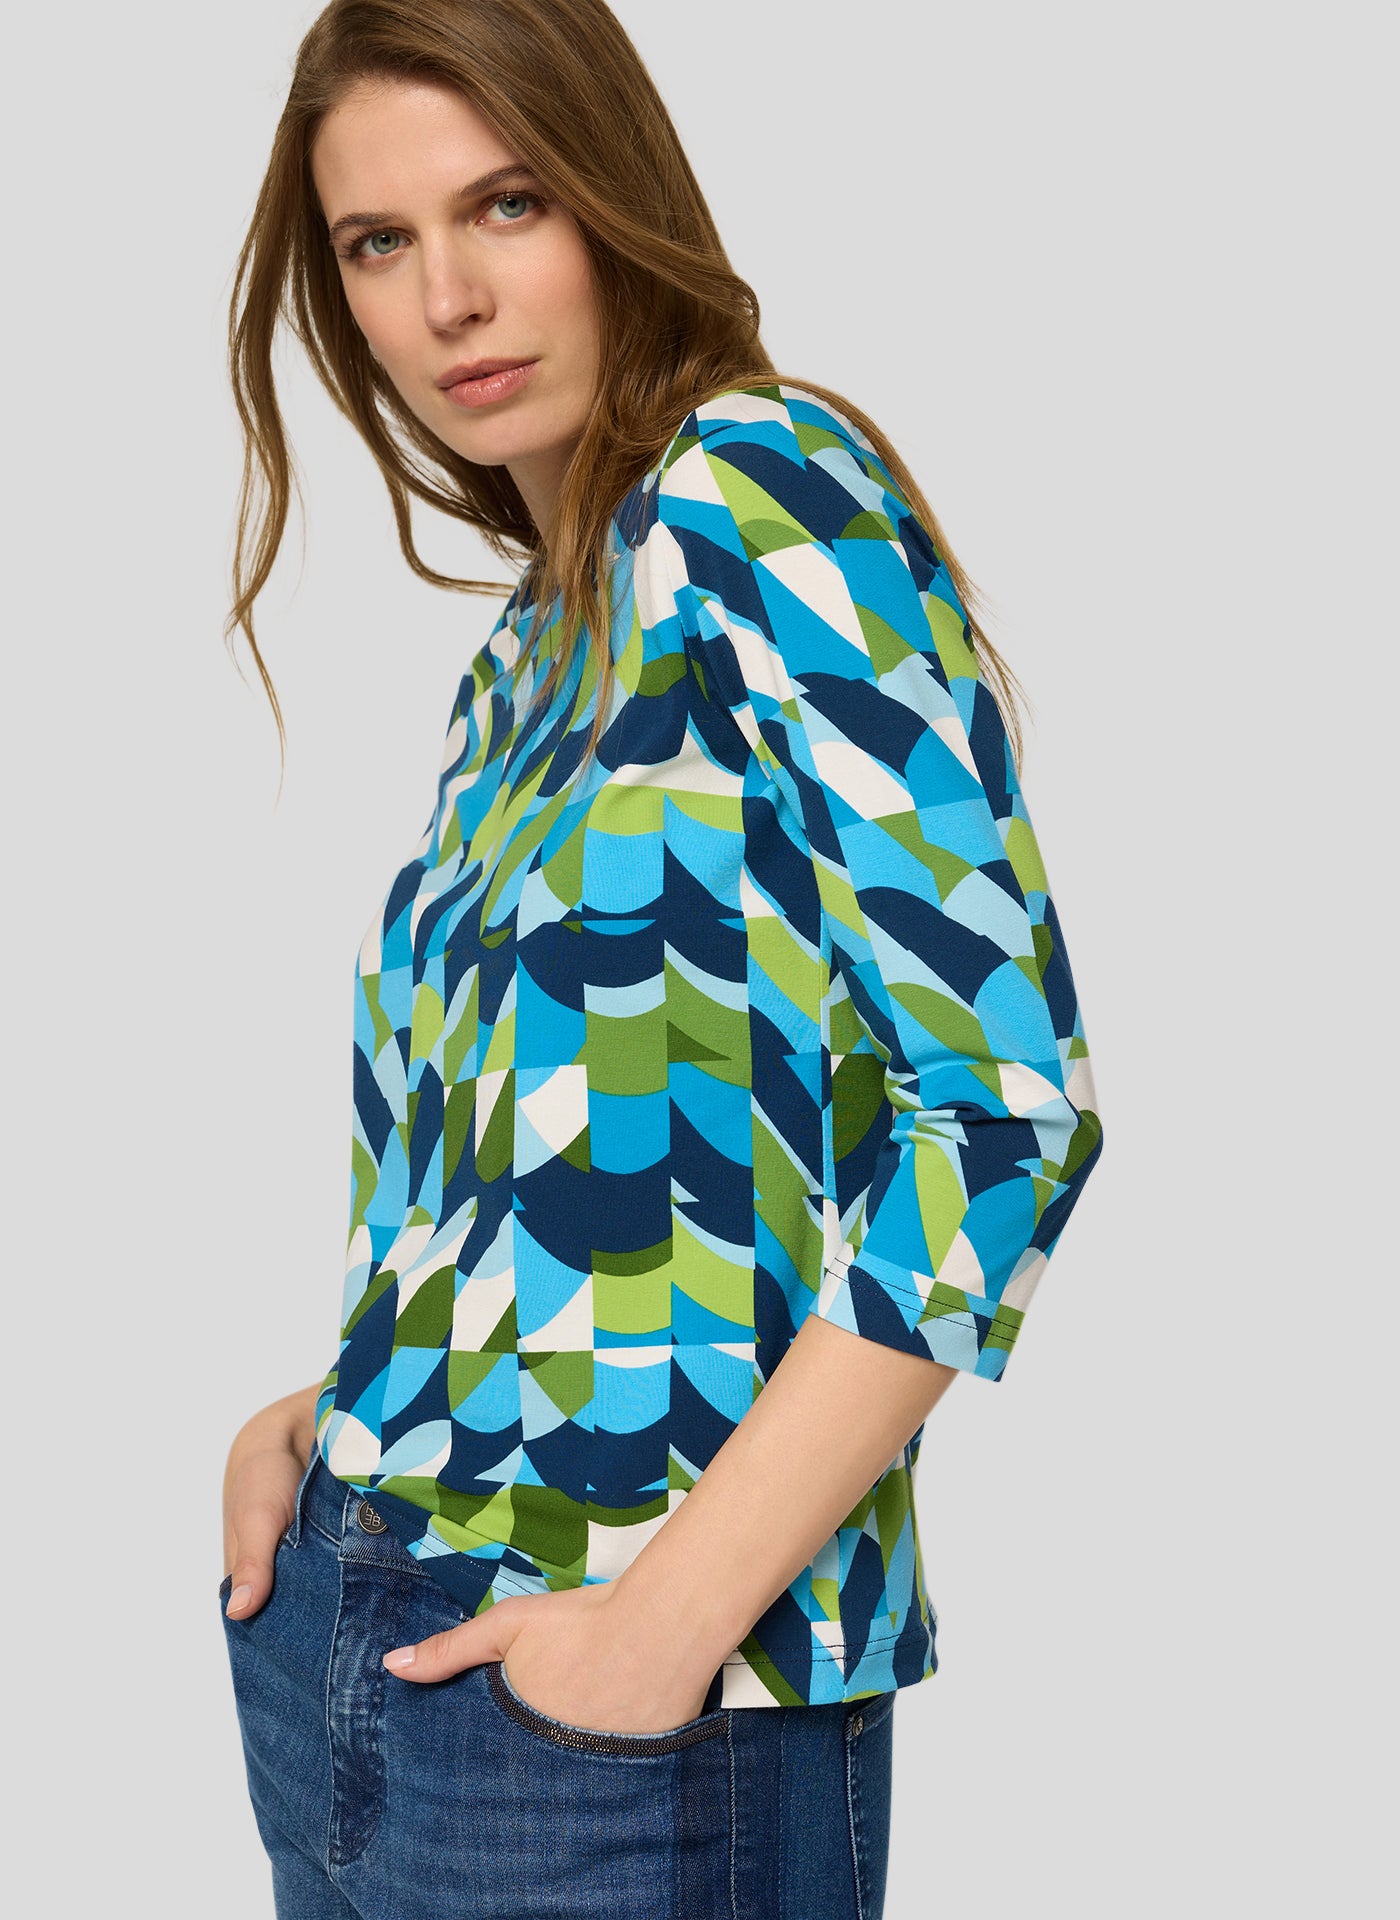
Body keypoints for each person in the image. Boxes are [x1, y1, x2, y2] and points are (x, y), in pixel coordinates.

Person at [216, 3, 1105, 1915]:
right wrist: (346, 1410)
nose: (449, 297)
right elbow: (547, 1174)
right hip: (348, 1637)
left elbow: (1002, 1117)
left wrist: (660, 1628)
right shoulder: (528, 656)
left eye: (507, 203)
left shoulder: (763, 487)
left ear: (613, 194)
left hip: (627, 1723)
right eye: (377, 243)